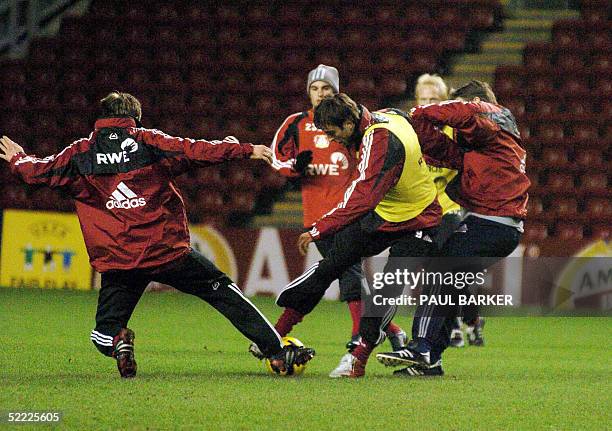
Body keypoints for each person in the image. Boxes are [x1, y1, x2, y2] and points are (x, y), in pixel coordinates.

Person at [0, 91, 314, 378]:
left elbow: (39, 171)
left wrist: (17, 159)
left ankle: (119, 341)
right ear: (134, 118)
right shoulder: (148, 143)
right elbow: (193, 150)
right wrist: (245, 150)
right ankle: (277, 354)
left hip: (120, 260)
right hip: (166, 251)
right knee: (224, 293)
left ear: (100, 117)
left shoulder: (80, 154)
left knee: (103, 333)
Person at [273, 93, 444, 378]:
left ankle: (358, 357)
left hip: (419, 220)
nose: (331, 141)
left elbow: (362, 198)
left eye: (333, 132)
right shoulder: (388, 113)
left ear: (350, 122)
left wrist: (320, 227)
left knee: (388, 287)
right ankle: (275, 334)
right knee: (333, 263)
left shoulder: (380, 141)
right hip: (385, 215)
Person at [376, 80, 529, 376]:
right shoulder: (487, 143)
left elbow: (469, 113)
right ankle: (432, 357)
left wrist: (423, 109)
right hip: (497, 223)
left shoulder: (494, 117)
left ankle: (421, 346)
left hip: (491, 222)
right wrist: (417, 125)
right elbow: (440, 149)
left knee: (440, 271)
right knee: (450, 286)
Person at [267, 65, 407, 361]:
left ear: (336, 92)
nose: (320, 94)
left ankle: (287, 331)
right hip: (316, 216)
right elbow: (276, 159)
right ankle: (391, 331)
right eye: (315, 89)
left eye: (326, 89)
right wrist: (295, 168)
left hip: (349, 214)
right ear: (308, 92)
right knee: (337, 271)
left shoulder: (349, 126)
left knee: (344, 271)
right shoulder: (295, 124)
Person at [415, 73, 475, 348]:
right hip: (420, 211)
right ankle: (463, 318)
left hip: (452, 210)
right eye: (423, 100)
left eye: (434, 100)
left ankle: (446, 329)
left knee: (441, 271)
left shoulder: (457, 133)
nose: (428, 106)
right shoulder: (411, 132)